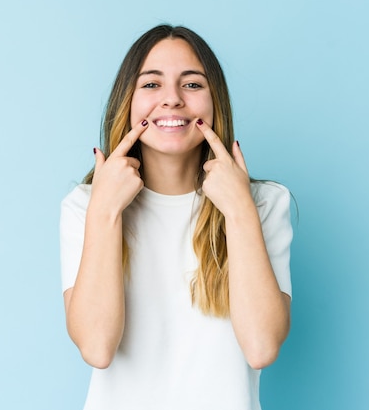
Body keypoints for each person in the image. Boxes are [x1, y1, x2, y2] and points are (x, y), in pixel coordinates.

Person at [60, 24, 293, 410]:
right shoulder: (85, 206)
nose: (171, 99)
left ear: (215, 100)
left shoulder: (264, 203)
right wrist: (104, 211)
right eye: (151, 85)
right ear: (127, 101)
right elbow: (98, 348)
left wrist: (239, 211)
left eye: (193, 84)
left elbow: (262, 347)